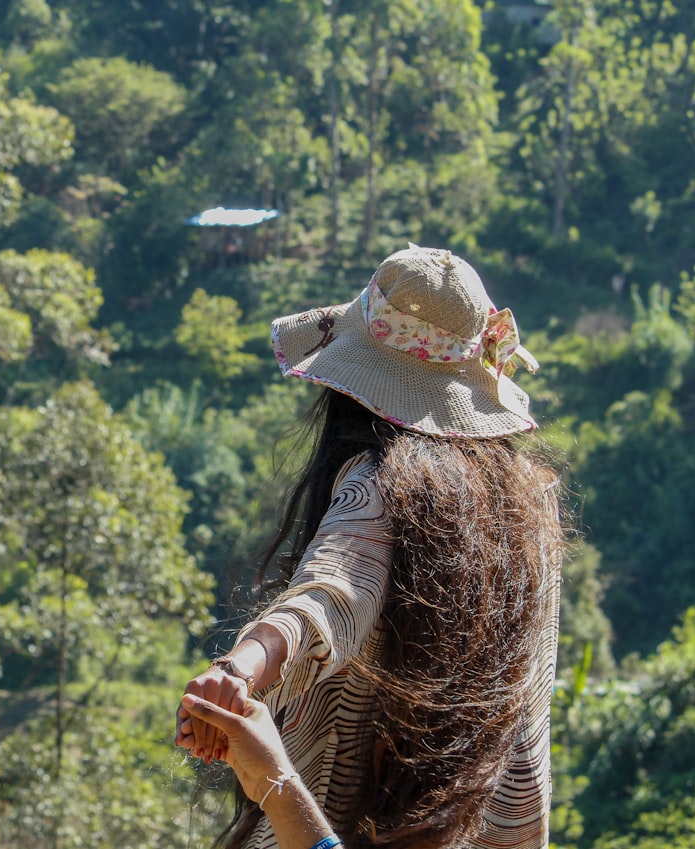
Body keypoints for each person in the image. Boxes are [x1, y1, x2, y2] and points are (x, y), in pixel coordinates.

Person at [176, 246, 566, 849]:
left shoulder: (378, 485)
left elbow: (329, 593)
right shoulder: (532, 512)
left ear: (351, 389)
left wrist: (238, 670)